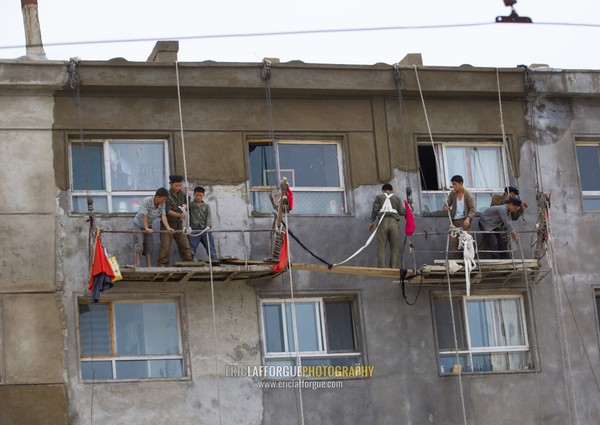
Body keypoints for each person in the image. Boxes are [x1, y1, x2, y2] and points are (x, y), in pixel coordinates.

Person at [157, 175, 193, 266]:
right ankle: (162, 265)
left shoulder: (183, 194)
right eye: (176, 185)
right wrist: (180, 214)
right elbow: (168, 211)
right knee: (165, 246)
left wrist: (187, 199)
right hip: (167, 224)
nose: (178, 187)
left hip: (179, 223)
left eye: (180, 185)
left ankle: (188, 264)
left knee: (185, 245)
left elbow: (188, 204)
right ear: (171, 184)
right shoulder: (167, 196)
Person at [133, 188, 174, 267]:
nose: (164, 201)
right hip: (138, 225)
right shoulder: (146, 201)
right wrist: (146, 228)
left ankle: (149, 265)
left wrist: (168, 227)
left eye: (165, 199)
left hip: (149, 225)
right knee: (139, 244)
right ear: (157, 196)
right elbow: (144, 215)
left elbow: (163, 216)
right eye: (163, 199)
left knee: (149, 245)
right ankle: (137, 264)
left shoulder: (162, 204)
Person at [368, 184, 406, 268]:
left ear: (383, 190)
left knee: (381, 247)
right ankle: (393, 267)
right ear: (392, 190)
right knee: (394, 248)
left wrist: (371, 222)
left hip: (382, 222)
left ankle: (381, 267)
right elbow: (402, 212)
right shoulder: (396, 198)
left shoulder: (379, 197)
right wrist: (409, 213)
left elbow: (374, 210)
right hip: (393, 223)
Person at [443, 175, 476, 258]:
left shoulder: (468, 195)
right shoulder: (452, 194)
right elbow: (447, 204)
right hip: (454, 223)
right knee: (454, 244)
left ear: (461, 183)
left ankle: (468, 264)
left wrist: (468, 219)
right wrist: (446, 207)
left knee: (467, 244)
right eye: (452, 185)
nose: (453, 187)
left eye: (455, 184)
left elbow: (472, 210)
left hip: (465, 223)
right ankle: (458, 265)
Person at [188, 186, 218, 262]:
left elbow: (208, 217)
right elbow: (186, 213)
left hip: (205, 229)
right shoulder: (190, 205)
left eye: (200, 195)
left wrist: (208, 226)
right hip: (194, 230)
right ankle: (191, 262)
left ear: (203, 196)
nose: (198, 197)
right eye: (196, 195)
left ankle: (214, 262)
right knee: (191, 247)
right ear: (193, 195)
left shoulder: (206, 206)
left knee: (210, 247)